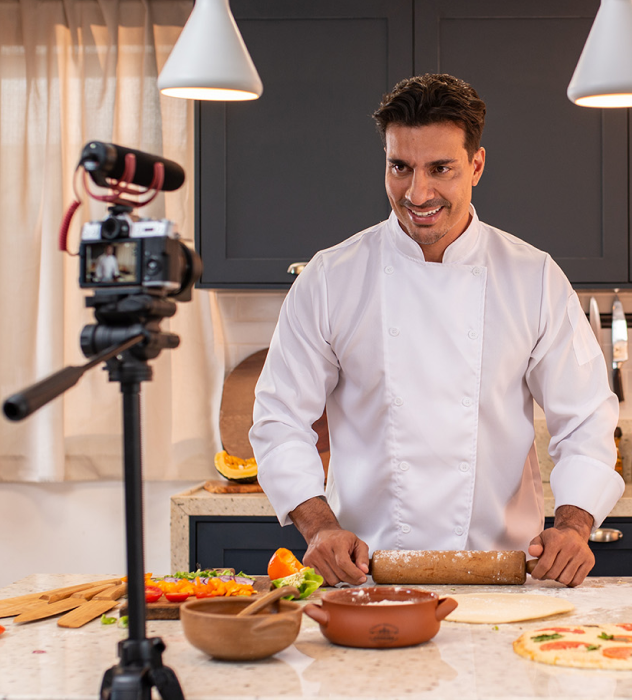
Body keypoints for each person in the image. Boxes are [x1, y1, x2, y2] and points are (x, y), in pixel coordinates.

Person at [249, 73, 625, 589]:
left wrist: (574, 526)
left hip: (505, 576)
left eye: (440, 168)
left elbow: (584, 418)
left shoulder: (533, 276)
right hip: (366, 577)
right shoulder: (330, 277)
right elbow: (279, 419)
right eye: (399, 167)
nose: (417, 192)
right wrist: (319, 529)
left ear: (476, 165)